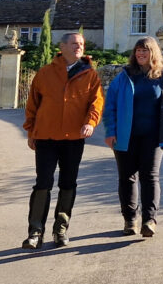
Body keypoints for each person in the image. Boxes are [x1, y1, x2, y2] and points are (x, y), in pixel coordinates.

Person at [21, 32, 104, 249]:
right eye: (75, 44)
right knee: (43, 183)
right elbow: (33, 105)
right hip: (46, 136)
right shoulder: (45, 73)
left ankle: (60, 229)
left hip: (74, 138)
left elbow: (96, 103)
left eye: (82, 44)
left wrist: (91, 123)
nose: (79, 47)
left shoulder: (90, 75)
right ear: (63, 46)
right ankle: (35, 232)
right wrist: (31, 131)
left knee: (68, 183)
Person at [103, 36, 163, 237]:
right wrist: (110, 131)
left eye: (145, 51)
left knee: (150, 177)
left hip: (153, 137)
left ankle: (149, 220)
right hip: (125, 136)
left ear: (153, 53)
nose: (140, 54)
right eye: (138, 50)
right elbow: (110, 105)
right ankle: (130, 219)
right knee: (127, 177)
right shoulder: (124, 76)